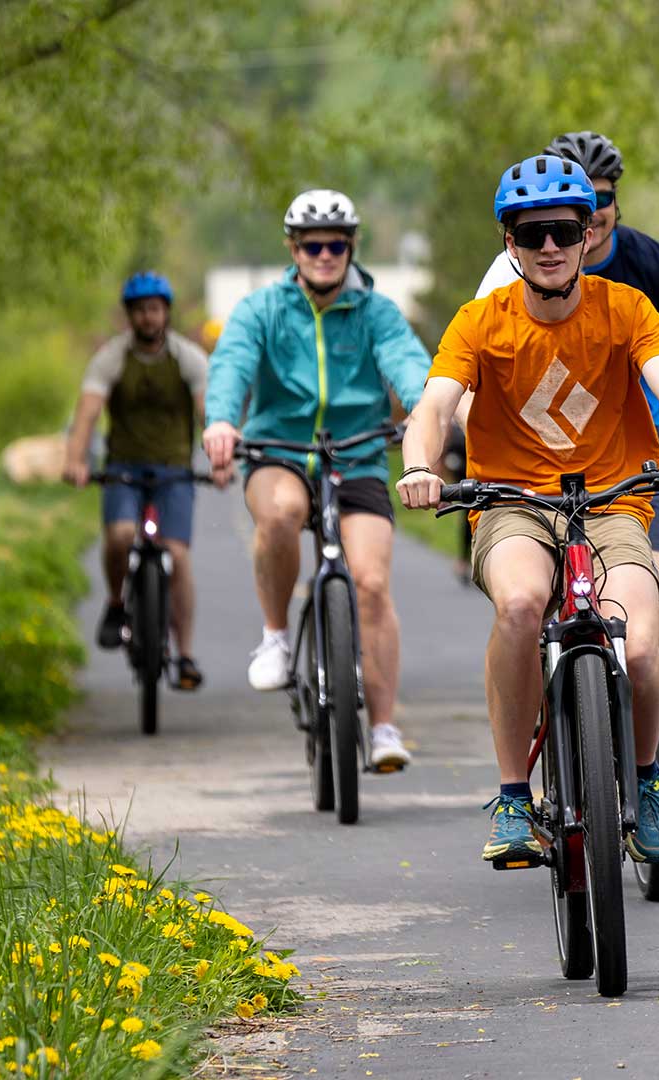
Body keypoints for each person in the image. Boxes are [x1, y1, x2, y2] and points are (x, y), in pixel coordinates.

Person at [398, 153, 659, 866]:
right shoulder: (480, 322)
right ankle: (514, 797)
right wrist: (421, 467)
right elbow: (432, 407)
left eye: (562, 230)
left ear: (588, 234)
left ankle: (648, 780)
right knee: (521, 605)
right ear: (509, 244)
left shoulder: (627, 309)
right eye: (531, 234)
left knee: (639, 639)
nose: (548, 246)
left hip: (615, 500)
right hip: (514, 503)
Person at [201, 189, 431, 772]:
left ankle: (384, 728)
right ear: (293, 249)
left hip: (357, 455)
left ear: (351, 247)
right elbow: (231, 363)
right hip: (278, 451)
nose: (324, 255)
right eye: (312, 246)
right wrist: (222, 420)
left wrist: (426, 409)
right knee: (279, 513)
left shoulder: (376, 312)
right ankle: (276, 636)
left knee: (372, 583)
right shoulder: (262, 309)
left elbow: (408, 364)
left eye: (335, 245)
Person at [63, 271, 211, 690]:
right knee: (120, 535)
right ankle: (116, 603)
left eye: (155, 309)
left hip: (174, 469)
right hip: (123, 468)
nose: (148, 317)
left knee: (177, 555)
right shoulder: (111, 358)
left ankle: (185, 654)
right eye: (141, 310)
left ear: (166, 313)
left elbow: (209, 413)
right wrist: (75, 459)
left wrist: (220, 460)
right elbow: (88, 413)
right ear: (130, 316)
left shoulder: (187, 357)